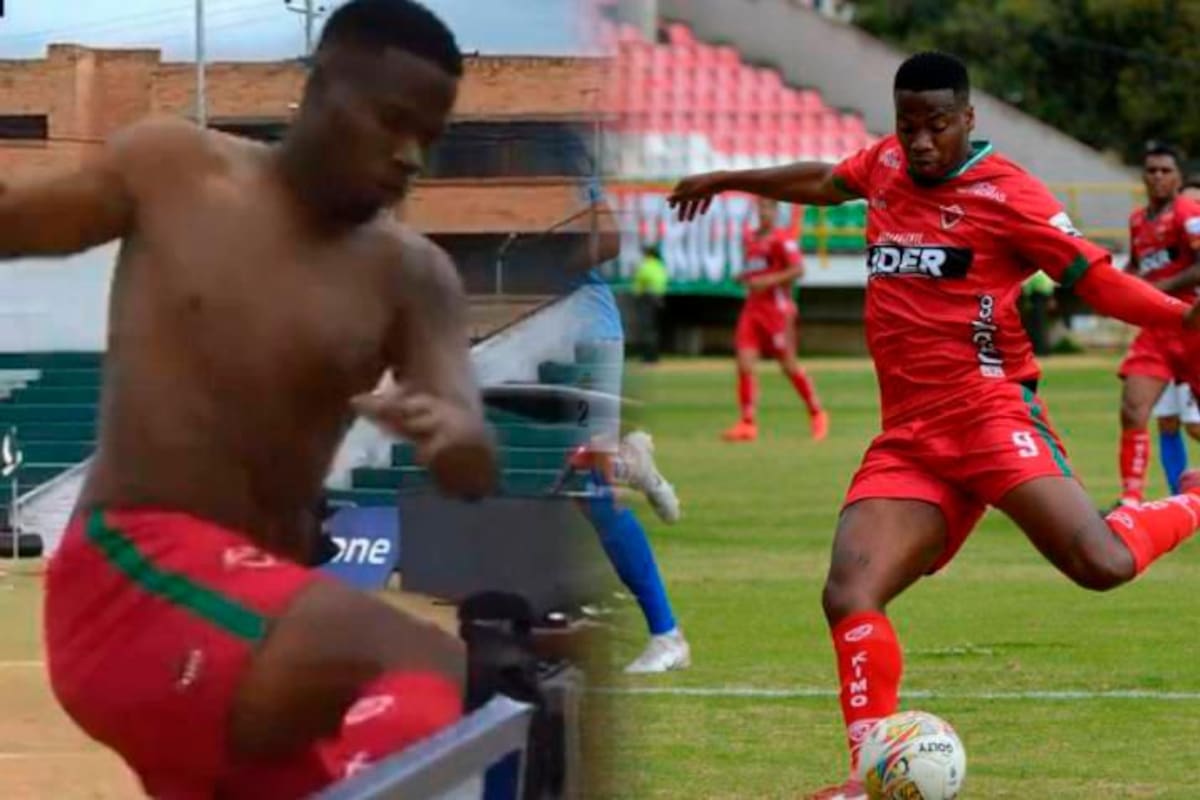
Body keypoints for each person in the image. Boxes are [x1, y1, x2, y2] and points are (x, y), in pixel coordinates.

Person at [668, 52, 1200, 800]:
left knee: (1102, 565)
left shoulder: (1009, 194)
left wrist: (1181, 316)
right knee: (849, 591)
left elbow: (1094, 279)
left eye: (937, 126)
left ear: (968, 119)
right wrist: (728, 179)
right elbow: (824, 181)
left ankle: (1191, 498)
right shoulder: (885, 165)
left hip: (990, 415)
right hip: (910, 440)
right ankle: (866, 776)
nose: (920, 142)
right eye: (908, 124)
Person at [31, 2, 500, 796]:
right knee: (426, 664)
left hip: (249, 638)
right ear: (319, 88)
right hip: (131, 585)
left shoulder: (415, 276)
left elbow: (470, 451)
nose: (411, 155)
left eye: (431, 136)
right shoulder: (176, 169)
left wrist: (455, 434)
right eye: (391, 121)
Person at [1113, 143, 1200, 505]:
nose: (1158, 177)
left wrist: (1155, 289)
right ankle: (1132, 499)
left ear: (1178, 177)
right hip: (1157, 331)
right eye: (1152, 171)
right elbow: (1136, 267)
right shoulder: (1137, 220)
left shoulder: (1188, 213)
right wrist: (1116, 283)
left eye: (1166, 171)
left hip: (1193, 323)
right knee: (1133, 408)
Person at [723, 197, 829, 442]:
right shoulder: (750, 238)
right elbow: (758, 268)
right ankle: (747, 423)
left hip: (777, 310)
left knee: (788, 364)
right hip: (753, 308)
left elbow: (798, 269)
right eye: (760, 208)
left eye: (767, 208)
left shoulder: (783, 239)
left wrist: (766, 281)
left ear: (776, 212)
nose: (763, 213)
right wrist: (745, 275)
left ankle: (817, 412)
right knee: (744, 362)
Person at [631, 244, 668, 363]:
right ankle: (654, 355)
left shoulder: (645, 265)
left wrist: (637, 293)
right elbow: (662, 281)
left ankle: (648, 356)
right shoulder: (659, 265)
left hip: (647, 298)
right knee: (653, 328)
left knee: (646, 327)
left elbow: (639, 282)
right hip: (658, 298)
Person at [1021, 269, 1055, 356]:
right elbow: (1050, 287)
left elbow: (1027, 289)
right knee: (1041, 325)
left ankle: (1040, 350)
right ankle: (1044, 349)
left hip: (1037, 299)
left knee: (1037, 326)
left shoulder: (1034, 274)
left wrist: (1027, 301)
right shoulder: (1045, 274)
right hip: (1042, 299)